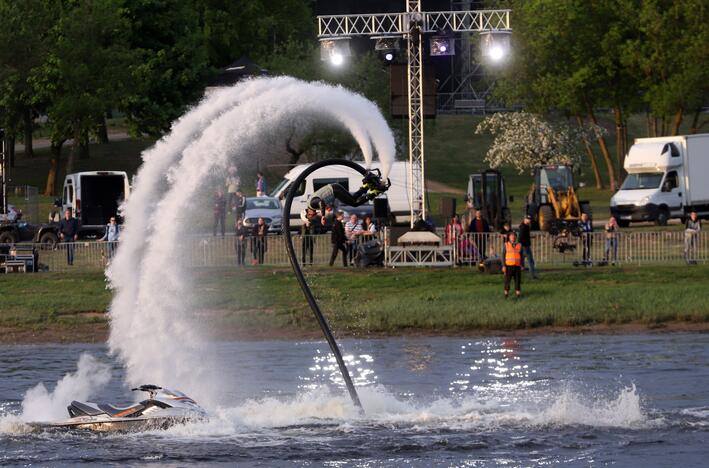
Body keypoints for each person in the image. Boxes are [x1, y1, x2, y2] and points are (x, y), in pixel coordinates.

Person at [502, 231, 523, 298]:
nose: (513, 237)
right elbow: (503, 256)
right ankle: (506, 293)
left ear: (516, 237)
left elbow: (522, 256)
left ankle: (518, 294)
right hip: (508, 266)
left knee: (517, 280)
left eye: (514, 236)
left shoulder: (519, 245)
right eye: (511, 236)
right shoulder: (506, 245)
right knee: (507, 280)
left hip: (517, 266)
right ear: (509, 237)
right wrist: (503, 265)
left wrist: (522, 265)